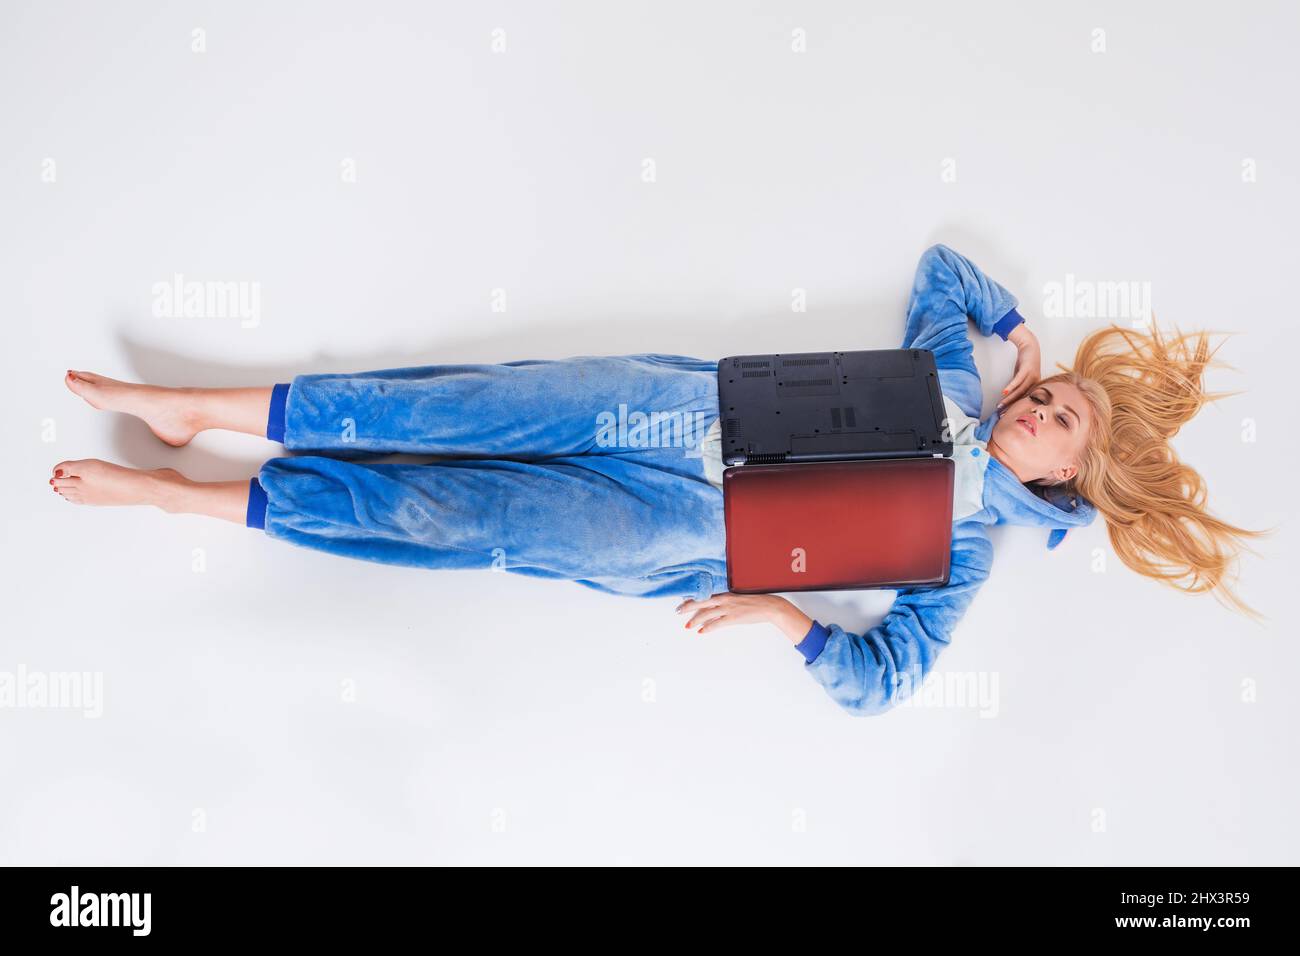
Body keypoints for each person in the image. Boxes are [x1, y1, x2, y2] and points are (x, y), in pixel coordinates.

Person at [50, 245, 1262, 715]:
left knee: (454, 510)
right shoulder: (954, 370)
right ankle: (195, 410)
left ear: (1066, 479)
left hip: (673, 527)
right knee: (454, 408)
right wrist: (1009, 325)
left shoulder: (966, 552)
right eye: (1052, 393)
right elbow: (945, 269)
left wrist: (788, 618)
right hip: (675, 401)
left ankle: (186, 496)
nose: (1041, 407)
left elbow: (883, 682)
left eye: (1062, 425)